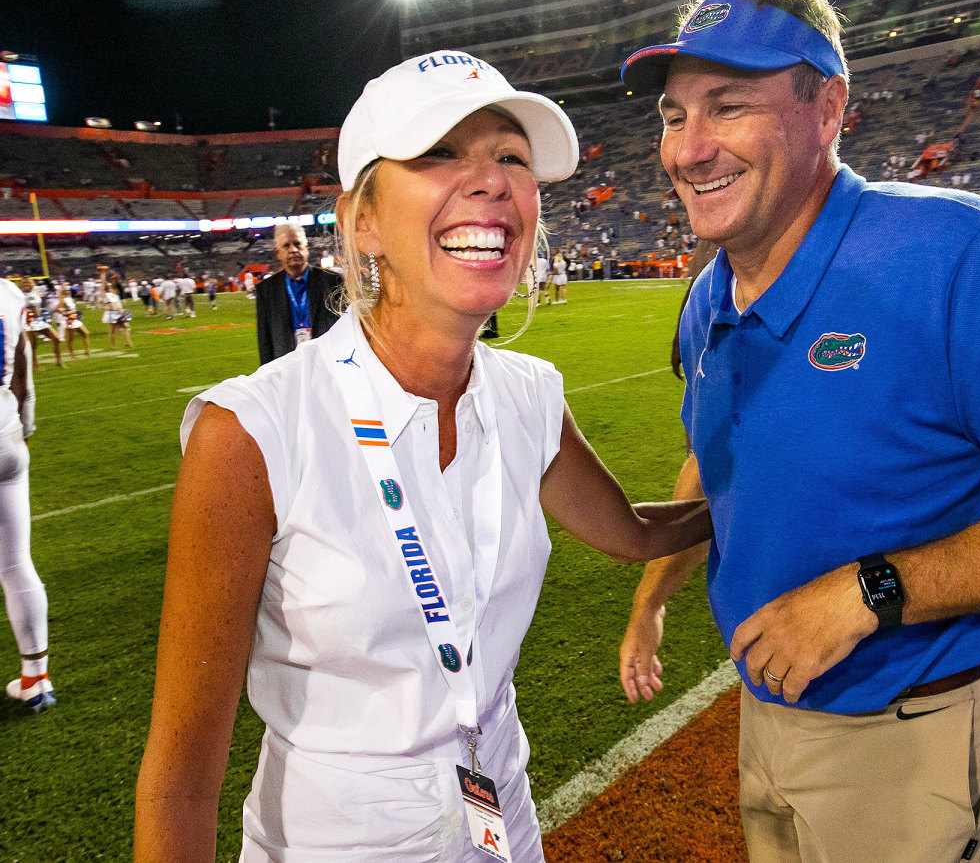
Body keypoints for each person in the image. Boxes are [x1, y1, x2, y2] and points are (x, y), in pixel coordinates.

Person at [617, 0, 980, 863]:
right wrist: (650, 601)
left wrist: (872, 590)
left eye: (729, 107)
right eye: (675, 115)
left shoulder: (964, 254)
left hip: (915, 729)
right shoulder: (709, 293)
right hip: (768, 710)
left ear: (828, 107)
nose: (691, 148)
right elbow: (719, 465)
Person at [134, 50, 712, 863]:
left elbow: (632, 533)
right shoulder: (252, 431)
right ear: (362, 220)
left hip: (503, 822)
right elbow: (180, 778)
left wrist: (758, 494)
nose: (490, 181)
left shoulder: (530, 393)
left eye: (512, 157)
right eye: (440, 153)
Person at [0, 277, 54, 712]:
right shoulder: (10, 294)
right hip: (6, 434)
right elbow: (23, 372)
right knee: (17, 562)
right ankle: (36, 677)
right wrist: (26, 426)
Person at [254, 224, 343, 366]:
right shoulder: (265, 290)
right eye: (286, 246)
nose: (293, 250)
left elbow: (344, 329)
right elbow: (265, 342)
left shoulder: (333, 281)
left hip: (327, 365)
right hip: (287, 369)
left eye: (297, 244)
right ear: (278, 253)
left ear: (306, 248)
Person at [17, 277, 63, 370]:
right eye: (24, 283)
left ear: (32, 284)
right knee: (33, 345)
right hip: (29, 323)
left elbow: (40, 307)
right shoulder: (19, 295)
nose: (26, 284)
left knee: (56, 338)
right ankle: (35, 365)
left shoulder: (35, 293)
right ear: (21, 285)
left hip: (40, 321)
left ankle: (59, 361)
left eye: (28, 283)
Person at [52, 283, 91, 360]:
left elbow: (73, 309)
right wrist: (65, 313)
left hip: (75, 319)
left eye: (68, 290)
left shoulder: (70, 299)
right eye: (65, 291)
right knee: (70, 339)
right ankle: (72, 355)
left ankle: (87, 351)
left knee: (85, 333)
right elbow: (57, 309)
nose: (67, 292)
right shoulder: (62, 300)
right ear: (63, 292)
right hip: (68, 320)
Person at [101, 276, 134, 349]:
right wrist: (120, 310)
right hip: (113, 314)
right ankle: (114, 345)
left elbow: (117, 304)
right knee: (113, 330)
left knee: (125, 327)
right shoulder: (108, 295)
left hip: (118, 312)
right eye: (109, 287)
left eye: (111, 287)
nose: (111, 288)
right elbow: (112, 306)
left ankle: (128, 343)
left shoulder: (114, 295)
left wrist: (122, 309)